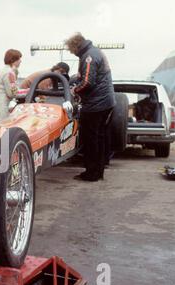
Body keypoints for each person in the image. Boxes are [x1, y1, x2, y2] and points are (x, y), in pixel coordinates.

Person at [66, 33, 115, 182]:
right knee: (99, 138)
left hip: (96, 105)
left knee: (90, 139)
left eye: (71, 50)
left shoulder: (89, 57)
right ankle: (98, 171)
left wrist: (74, 90)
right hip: (106, 102)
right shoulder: (95, 51)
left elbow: (88, 82)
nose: (72, 53)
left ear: (76, 46)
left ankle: (91, 173)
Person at [0, 49, 22, 123]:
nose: (20, 61)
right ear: (13, 60)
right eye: (19, 59)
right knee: (4, 131)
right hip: (2, 107)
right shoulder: (9, 73)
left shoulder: (5, 70)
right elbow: (12, 93)